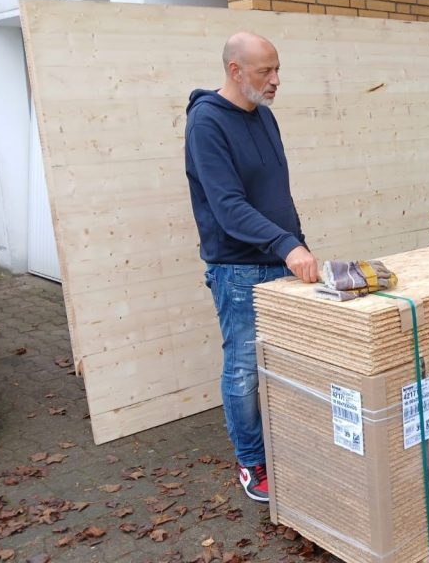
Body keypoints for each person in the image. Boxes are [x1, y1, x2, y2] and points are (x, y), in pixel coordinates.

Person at [184, 32, 319, 504]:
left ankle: (284, 448)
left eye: (278, 69)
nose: (276, 79)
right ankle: (251, 460)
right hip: (239, 270)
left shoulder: (264, 115)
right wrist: (286, 245)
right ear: (235, 70)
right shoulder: (206, 123)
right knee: (244, 369)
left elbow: (277, 193)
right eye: (266, 71)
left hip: (280, 260)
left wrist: (297, 241)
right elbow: (228, 207)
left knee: (284, 363)